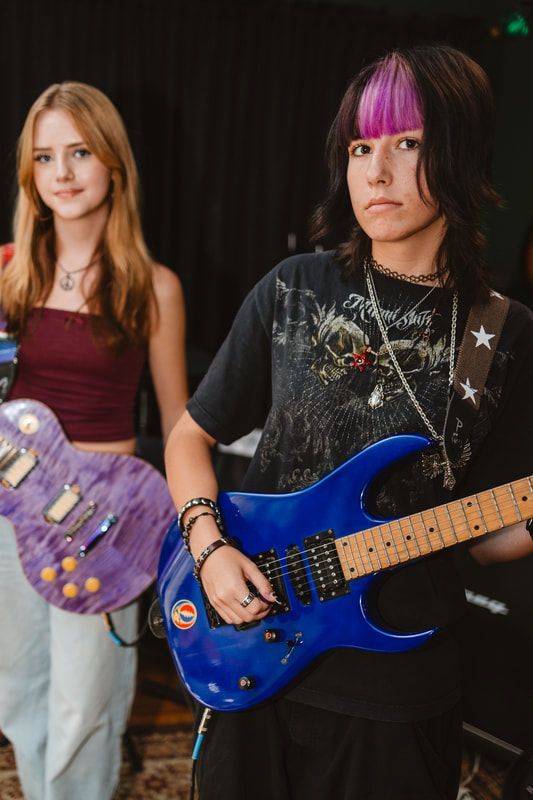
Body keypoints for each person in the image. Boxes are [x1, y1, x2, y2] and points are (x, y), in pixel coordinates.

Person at [165, 44, 533, 800]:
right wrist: (207, 548)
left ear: (459, 151)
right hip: (254, 650)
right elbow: (190, 435)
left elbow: (491, 540)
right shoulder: (294, 287)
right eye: (361, 145)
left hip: (395, 687)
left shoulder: (503, 333)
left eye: (407, 143)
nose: (376, 170)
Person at [0, 82, 187, 800]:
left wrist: (176, 532)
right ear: (30, 177)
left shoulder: (152, 286)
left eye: (80, 152)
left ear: (114, 164)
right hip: (15, 517)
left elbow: (177, 423)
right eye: (45, 157)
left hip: (102, 524)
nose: (64, 172)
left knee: (87, 700)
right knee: (18, 690)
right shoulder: (11, 275)